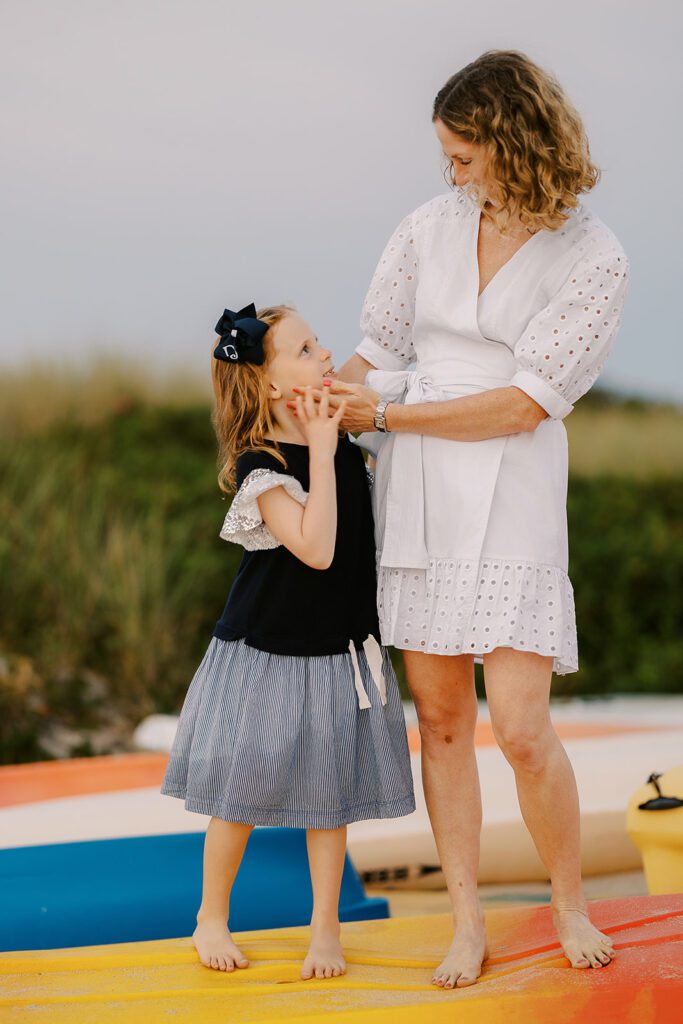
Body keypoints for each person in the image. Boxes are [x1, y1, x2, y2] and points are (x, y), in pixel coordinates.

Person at [296, 50, 630, 988]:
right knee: (440, 723)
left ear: (517, 144)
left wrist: (387, 416)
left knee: (520, 727)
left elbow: (525, 405)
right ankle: (466, 920)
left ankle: (568, 902)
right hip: (418, 495)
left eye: (464, 157)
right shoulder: (423, 229)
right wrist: (311, 409)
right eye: (445, 158)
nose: (450, 175)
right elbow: (375, 354)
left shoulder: (594, 257)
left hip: (514, 484)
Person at [159, 302, 416, 981]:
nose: (324, 355)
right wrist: (324, 454)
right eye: (304, 350)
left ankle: (324, 928)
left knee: (327, 800)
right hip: (267, 653)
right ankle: (210, 915)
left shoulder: (353, 452)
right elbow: (316, 548)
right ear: (270, 384)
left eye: (318, 343)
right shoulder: (261, 465)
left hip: (338, 650)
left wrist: (344, 444)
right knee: (239, 794)